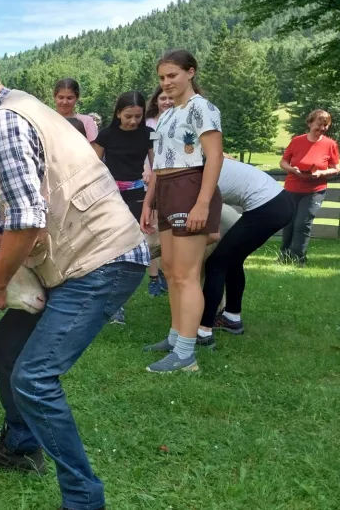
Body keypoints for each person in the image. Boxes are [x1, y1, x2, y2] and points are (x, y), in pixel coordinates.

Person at [0, 52, 148, 510]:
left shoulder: (2, 122)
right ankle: (22, 448)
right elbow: (18, 209)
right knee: (9, 346)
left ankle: (83, 500)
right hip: (90, 257)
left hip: (101, 261)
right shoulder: (25, 106)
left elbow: (28, 220)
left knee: (34, 378)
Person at [141, 49, 224, 373]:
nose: (166, 83)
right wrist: (149, 202)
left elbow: (214, 157)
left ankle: (186, 355)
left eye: (172, 75)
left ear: (191, 72)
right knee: (172, 270)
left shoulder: (202, 108)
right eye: (162, 78)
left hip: (190, 187)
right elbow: (158, 164)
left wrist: (202, 203)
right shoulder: (168, 113)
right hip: (166, 189)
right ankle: (176, 337)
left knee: (187, 274)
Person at [194, 157, 295, 348]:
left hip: (268, 208)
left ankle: (203, 330)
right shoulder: (208, 165)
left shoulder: (203, 177)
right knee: (232, 261)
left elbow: (213, 234)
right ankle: (232, 318)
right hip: (279, 202)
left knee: (216, 264)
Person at [91, 91, 155, 324]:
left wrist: (149, 202)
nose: (133, 121)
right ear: (118, 113)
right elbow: (93, 167)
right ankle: (107, 301)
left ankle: (119, 301)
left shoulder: (148, 134)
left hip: (137, 195)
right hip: (109, 196)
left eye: (138, 116)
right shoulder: (106, 135)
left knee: (130, 250)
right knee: (109, 247)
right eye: (128, 116)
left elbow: (156, 169)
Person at [278, 110, 338, 265]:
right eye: (319, 124)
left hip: (314, 191)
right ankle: (284, 256)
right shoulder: (297, 141)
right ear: (310, 123)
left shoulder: (330, 144)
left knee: (302, 223)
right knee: (289, 223)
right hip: (291, 188)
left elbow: (337, 168)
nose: (322, 128)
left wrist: (321, 173)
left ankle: (298, 258)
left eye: (326, 125)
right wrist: (292, 169)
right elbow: (283, 162)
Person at [143, 86, 175, 296]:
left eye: (171, 98)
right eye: (163, 98)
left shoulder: (180, 120)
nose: (167, 101)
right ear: (156, 101)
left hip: (173, 179)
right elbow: (146, 153)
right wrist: (147, 170)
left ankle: (168, 270)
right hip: (150, 179)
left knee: (170, 227)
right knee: (152, 229)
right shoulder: (149, 124)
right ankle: (154, 277)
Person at [53, 78, 98, 142]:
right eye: (61, 98)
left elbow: (94, 150)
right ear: (54, 97)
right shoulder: (45, 119)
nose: (65, 102)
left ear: (77, 98)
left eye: (69, 98)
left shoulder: (87, 121)